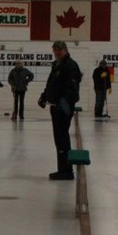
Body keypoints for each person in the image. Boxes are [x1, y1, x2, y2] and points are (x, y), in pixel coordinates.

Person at [38, 41, 83, 180]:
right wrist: (44, 97)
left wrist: (63, 104)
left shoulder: (70, 65)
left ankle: (66, 171)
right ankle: (63, 169)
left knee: (62, 139)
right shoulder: (57, 64)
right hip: (55, 106)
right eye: (54, 50)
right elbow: (51, 84)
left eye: (59, 50)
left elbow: (72, 89)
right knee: (59, 139)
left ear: (65, 50)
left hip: (62, 108)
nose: (56, 53)